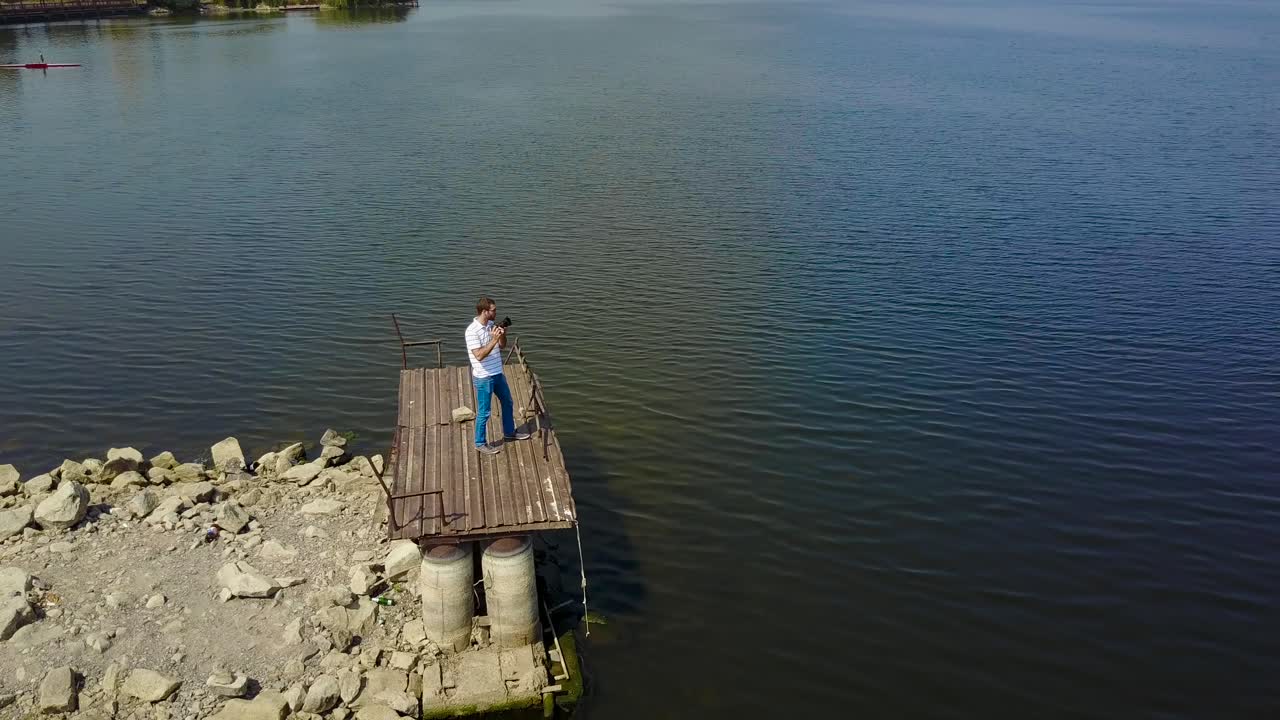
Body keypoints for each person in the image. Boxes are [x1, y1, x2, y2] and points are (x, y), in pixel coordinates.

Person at [465, 296, 530, 455]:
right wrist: (493, 339)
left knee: (508, 402)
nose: (496, 312)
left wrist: (502, 335)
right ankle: (480, 443)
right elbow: (479, 355)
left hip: (497, 374)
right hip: (484, 377)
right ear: (484, 311)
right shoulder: (471, 331)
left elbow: (502, 346)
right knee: (484, 412)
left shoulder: (491, 325)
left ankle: (509, 433)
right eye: (493, 310)